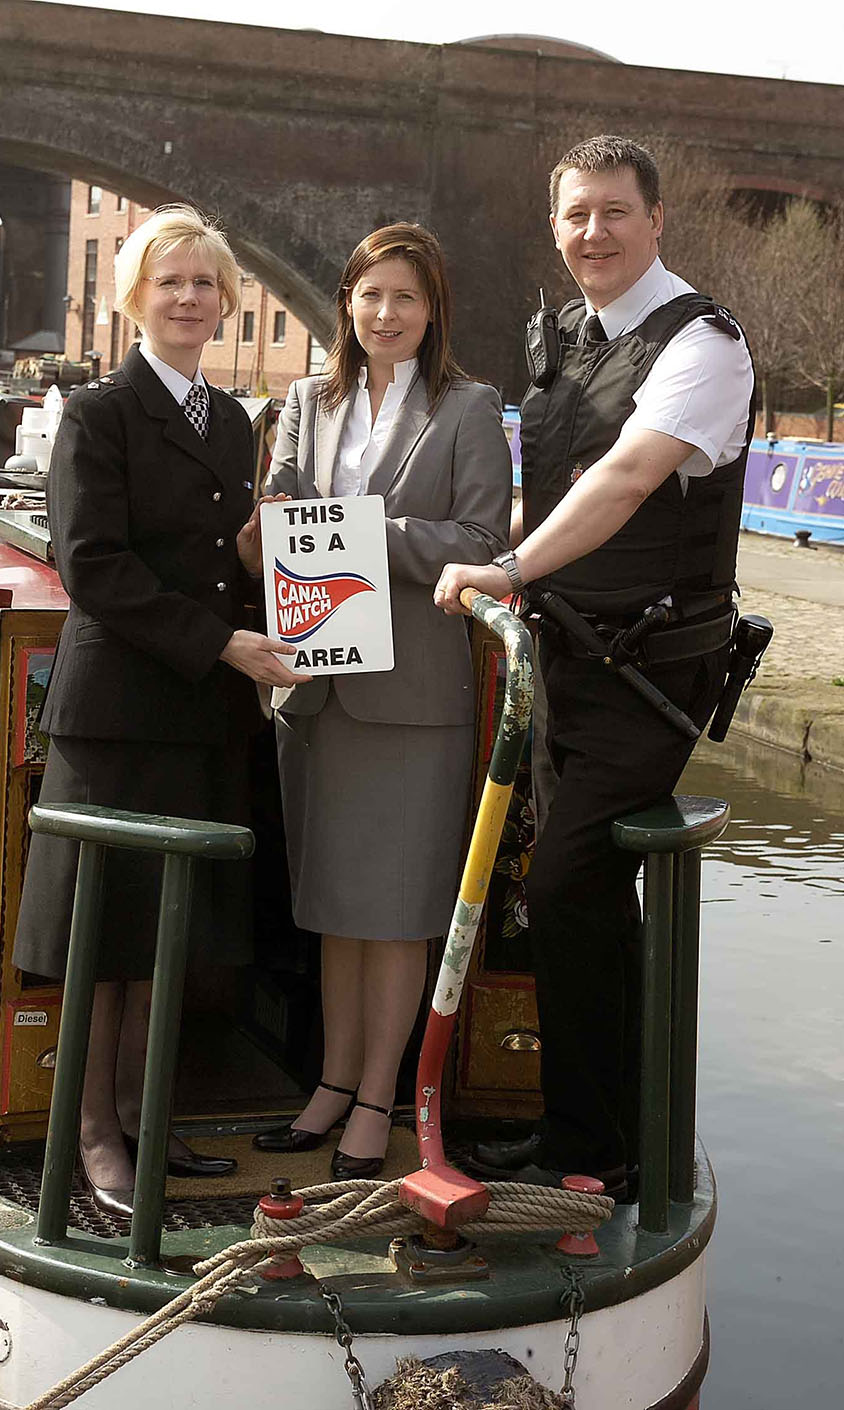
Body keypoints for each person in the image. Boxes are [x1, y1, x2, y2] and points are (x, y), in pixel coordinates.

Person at [434, 136, 755, 1199]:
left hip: (652, 671)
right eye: (575, 215)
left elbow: (623, 480)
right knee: (581, 898)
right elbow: (561, 478)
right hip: (570, 660)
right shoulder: (568, 337)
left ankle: (585, 1142)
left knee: (567, 884)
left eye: (614, 212)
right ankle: (605, 1132)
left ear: (656, 221)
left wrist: (510, 567)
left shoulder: (700, 345)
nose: (592, 234)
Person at [13, 204, 308, 1217]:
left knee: (166, 933)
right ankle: (90, 1131)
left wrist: (257, 574)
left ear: (226, 300)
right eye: (170, 281)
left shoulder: (231, 422)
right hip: (122, 714)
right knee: (104, 938)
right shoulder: (98, 412)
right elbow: (89, 565)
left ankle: (143, 1122)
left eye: (205, 283)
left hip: (201, 713)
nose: (189, 298)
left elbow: (214, 564)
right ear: (134, 296)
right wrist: (223, 641)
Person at [252, 223, 512, 1177]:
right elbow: (279, 510)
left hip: (411, 701)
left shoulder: (470, 407)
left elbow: (481, 535)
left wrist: (362, 533)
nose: (385, 314)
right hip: (319, 693)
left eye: (405, 298)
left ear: (433, 308)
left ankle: (377, 1099)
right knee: (334, 907)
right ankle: (328, 1084)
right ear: (347, 306)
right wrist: (274, 529)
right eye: (370, 296)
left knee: (398, 910)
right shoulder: (304, 403)